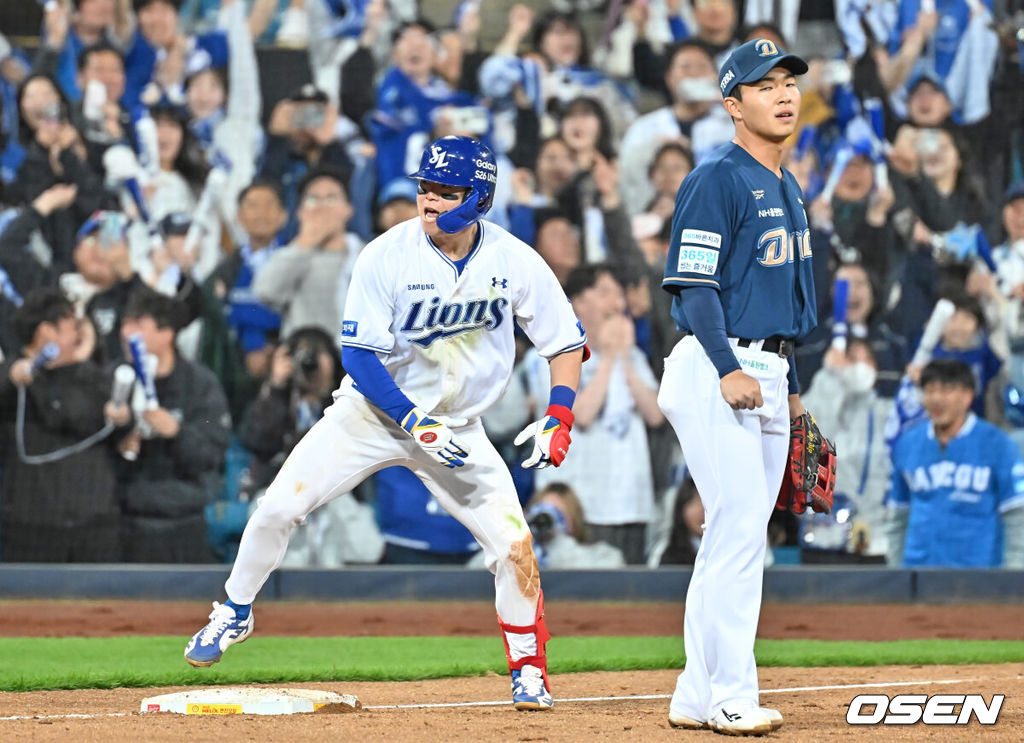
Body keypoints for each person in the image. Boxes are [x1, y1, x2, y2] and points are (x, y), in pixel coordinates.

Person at [183, 135, 587, 712]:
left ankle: (528, 670)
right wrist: (411, 419)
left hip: (459, 427)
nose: (430, 200)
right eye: (425, 187)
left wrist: (559, 413)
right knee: (278, 506)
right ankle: (233, 610)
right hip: (372, 414)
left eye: (447, 192)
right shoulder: (385, 254)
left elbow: (565, 343)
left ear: (480, 198)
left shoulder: (514, 260)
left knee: (515, 546)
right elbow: (359, 357)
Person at [658, 39, 818, 735]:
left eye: (789, 82)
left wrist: (794, 389)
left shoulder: (788, 183)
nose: (783, 93)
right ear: (733, 105)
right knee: (739, 531)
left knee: (736, 530)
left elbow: (791, 303)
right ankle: (731, 693)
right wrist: (728, 366)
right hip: (716, 363)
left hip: (769, 369)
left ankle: (697, 692)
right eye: (765, 85)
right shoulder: (717, 177)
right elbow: (694, 285)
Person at [0, 287, 125, 562]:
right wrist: (13, 377)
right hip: (28, 529)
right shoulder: (11, 378)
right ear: (47, 331)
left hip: (93, 528)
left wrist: (124, 419)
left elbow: (76, 416)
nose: (80, 332)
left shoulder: (93, 380)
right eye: (74, 326)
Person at [117, 286, 232, 562]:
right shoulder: (119, 377)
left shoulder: (200, 384)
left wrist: (176, 432)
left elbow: (212, 453)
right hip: (127, 520)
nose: (126, 333)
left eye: (138, 324)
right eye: (125, 323)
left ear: (166, 333)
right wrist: (121, 436)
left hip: (186, 522)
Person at [887, 359, 1024, 568]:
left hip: (978, 576)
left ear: (968, 396)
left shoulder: (998, 444)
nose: (936, 398)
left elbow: (1016, 517)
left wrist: (1012, 578)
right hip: (918, 573)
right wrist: (896, 575)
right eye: (930, 390)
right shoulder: (908, 444)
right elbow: (899, 517)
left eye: (947, 390)